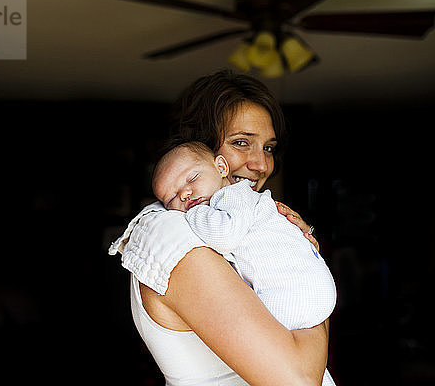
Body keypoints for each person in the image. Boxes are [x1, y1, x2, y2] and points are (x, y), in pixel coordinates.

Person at [109, 70, 331, 385]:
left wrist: (293, 248)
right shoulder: (174, 236)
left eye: (268, 147)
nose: (261, 164)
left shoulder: (225, 226)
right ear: (202, 149)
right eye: (241, 142)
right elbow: (299, 381)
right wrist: (306, 269)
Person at [151, 141, 336, 384]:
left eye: (192, 179)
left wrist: (193, 214)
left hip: (298, 296)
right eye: (171, 198)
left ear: (220, 167)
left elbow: (225, 236)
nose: (184, 194)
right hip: (311, 298)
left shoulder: (234, 196)